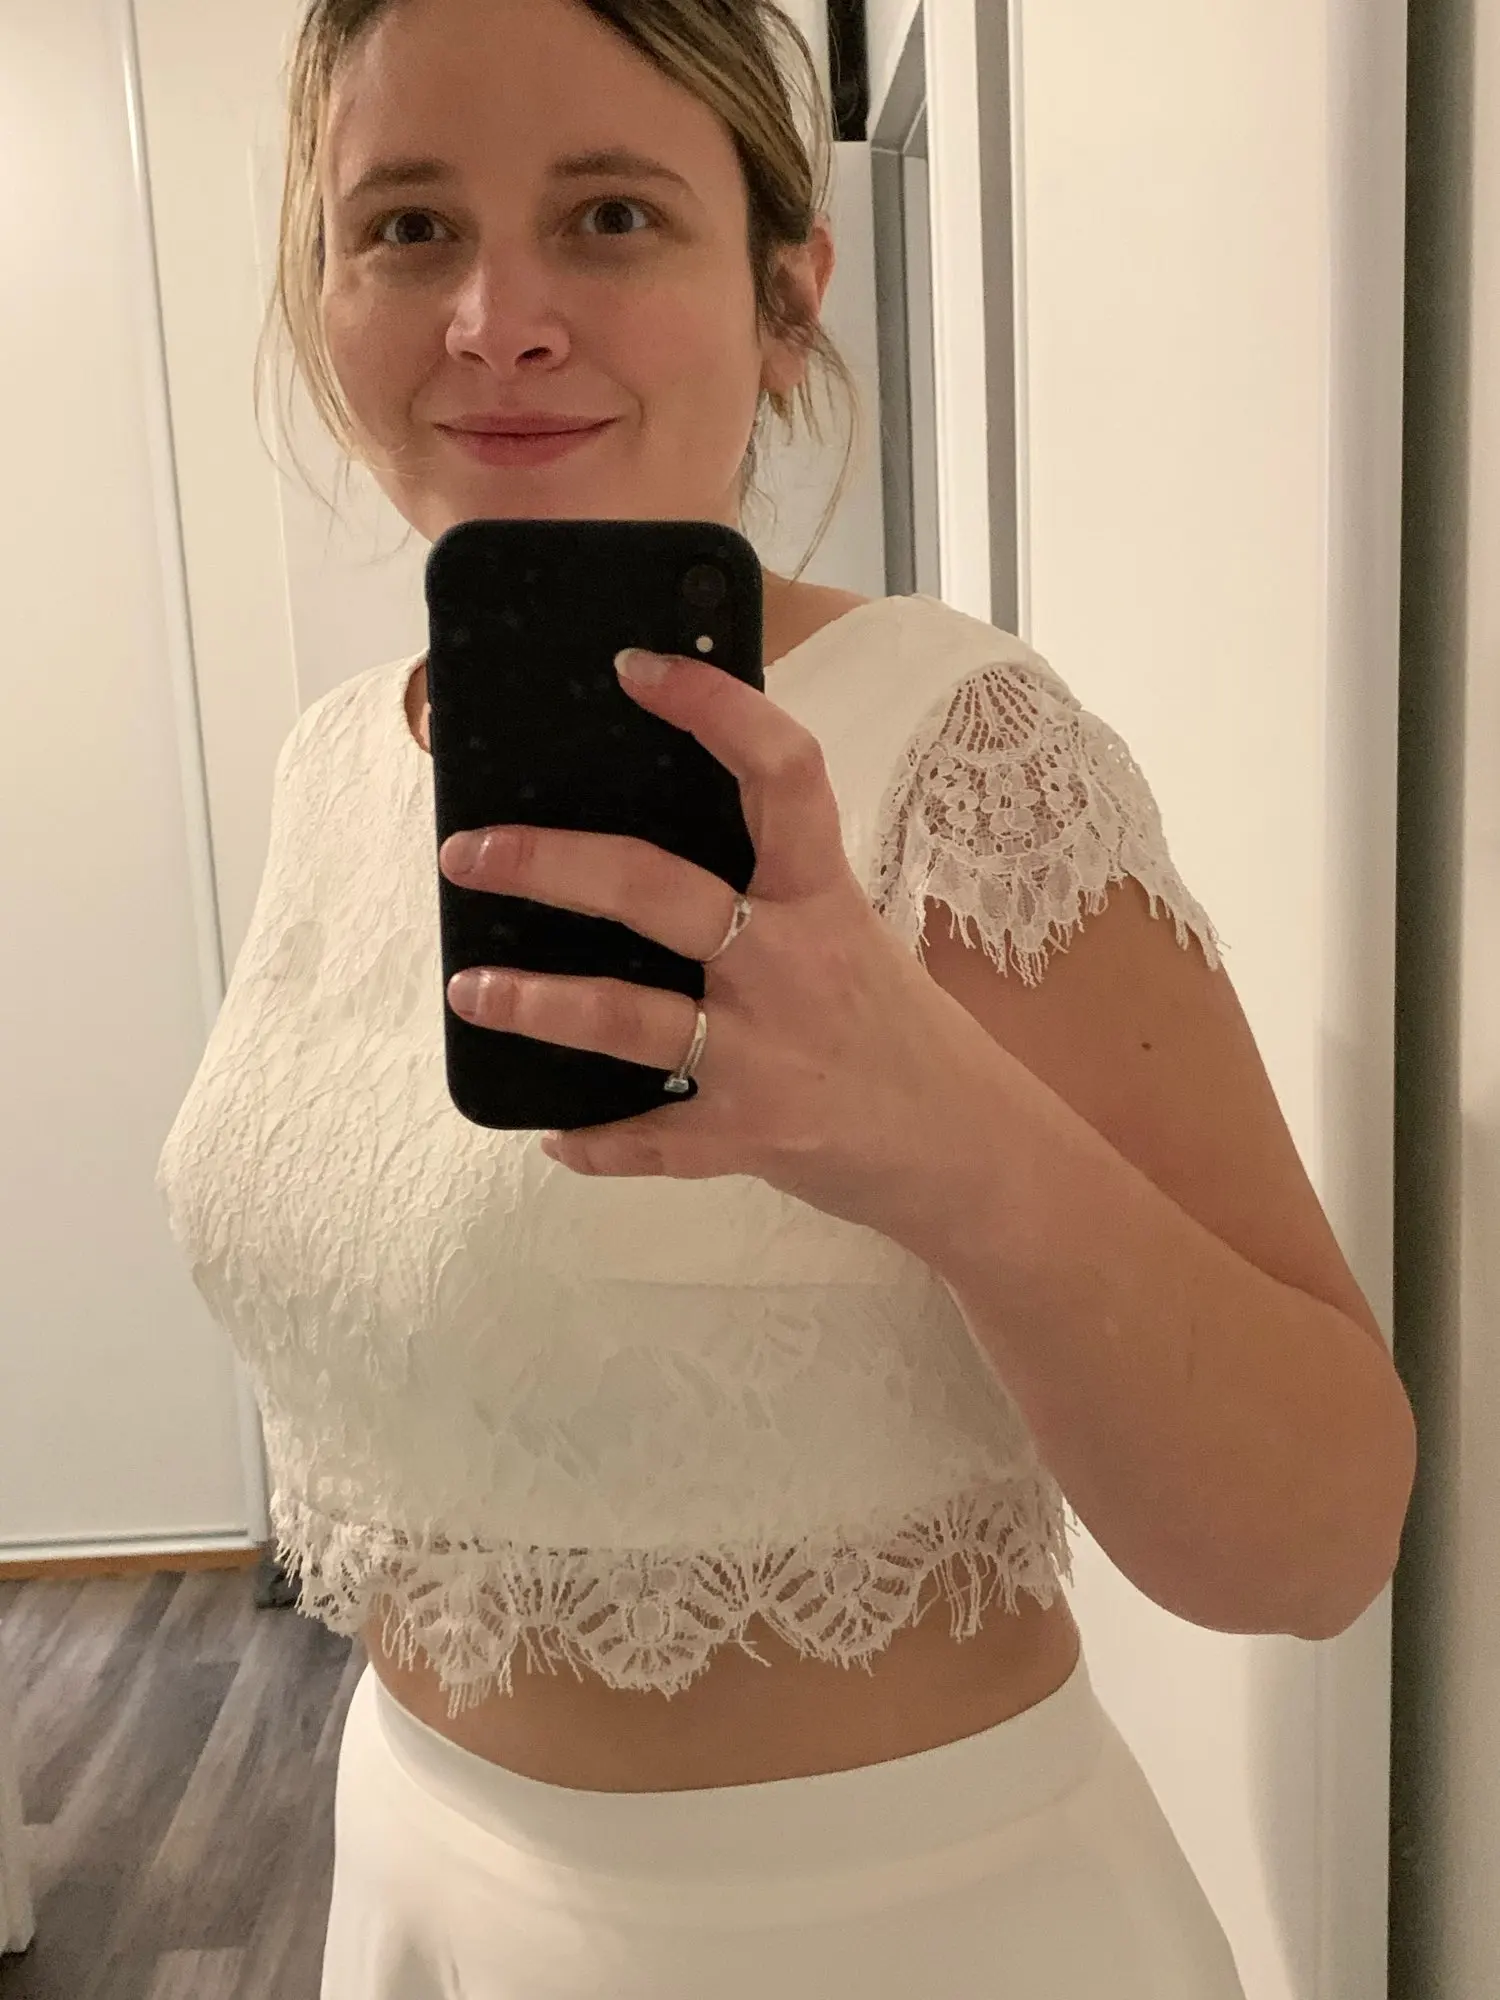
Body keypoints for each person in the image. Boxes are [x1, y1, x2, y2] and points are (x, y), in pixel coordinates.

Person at [156, 1, 1416, 1994]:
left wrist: (943, 1134)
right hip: (415, 1871)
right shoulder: (334, 766)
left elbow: (1320, 1542)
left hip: (896, 1932)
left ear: (786, 290)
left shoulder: (957, 747)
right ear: (321, 290)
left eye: (610, 215)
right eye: (406, 226)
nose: (495, 319)